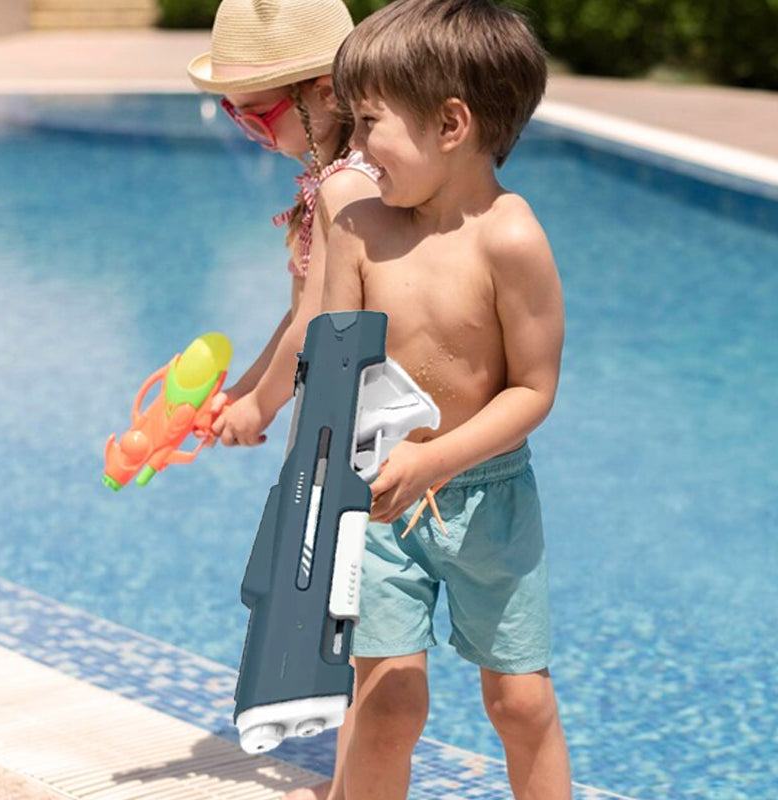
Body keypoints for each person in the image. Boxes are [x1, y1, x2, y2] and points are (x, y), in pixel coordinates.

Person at [323, 1, 572, 797]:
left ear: (451, 123)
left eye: (367, 124)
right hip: (380, 502)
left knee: (520, 702)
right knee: (388, 699)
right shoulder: (359, 227)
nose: (354, 148)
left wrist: (436, 459)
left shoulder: (510, 238)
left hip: (487, 501)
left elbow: (534, 390)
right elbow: (331, 365)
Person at [187, 2, 379, 798]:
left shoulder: (351, 185)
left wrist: (259, 409)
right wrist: (245, 385)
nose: (246, 127)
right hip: (343, 422)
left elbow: (316, 323)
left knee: (364, 630)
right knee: (355, 628)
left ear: (326, 91)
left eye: (257, 109)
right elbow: (295, 313)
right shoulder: (328, 178)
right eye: (232, 112)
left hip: (369, 430)